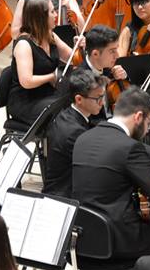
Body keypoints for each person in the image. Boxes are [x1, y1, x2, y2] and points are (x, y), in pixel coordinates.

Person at [71, 87, 150, 259]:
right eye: (149, 123)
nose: (148, 129)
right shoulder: (131, 147)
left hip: (82, 238)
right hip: (117, 242)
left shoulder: (83, 138)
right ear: (138, 117)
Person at [7, 0, 78, 127]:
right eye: (52, 12)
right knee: (62, 115)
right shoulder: (24, 44)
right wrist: (51, 77)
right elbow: (27, 82)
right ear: (41, 17)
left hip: (48, 94)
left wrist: (79, 47)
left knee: (77, 103)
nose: (56, 14)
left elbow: (73, 58)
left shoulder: (50, 36)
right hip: (26, 101)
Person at [44, 67, 105, 197]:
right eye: (98, 98)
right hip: (64, 198)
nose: (102, 103)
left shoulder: (66, 114)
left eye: (103, 96)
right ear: (79, 99)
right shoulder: (75, 132)